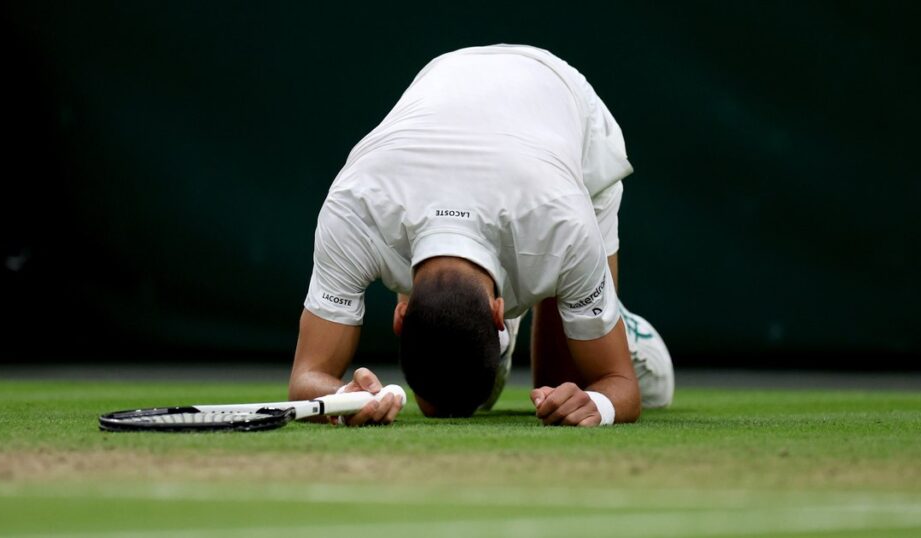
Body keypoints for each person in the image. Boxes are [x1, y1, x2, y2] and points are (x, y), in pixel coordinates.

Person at [288, 44, 673, 427]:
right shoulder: (354, 210)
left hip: (563, 105)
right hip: (450, 83)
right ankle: (569, 313)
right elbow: (305, 378)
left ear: (401, 316)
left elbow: (620, 384)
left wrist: (598, 402)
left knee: (562, 391)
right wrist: (342, 398)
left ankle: (619, 325)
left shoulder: (565, 222)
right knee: (444, 403)